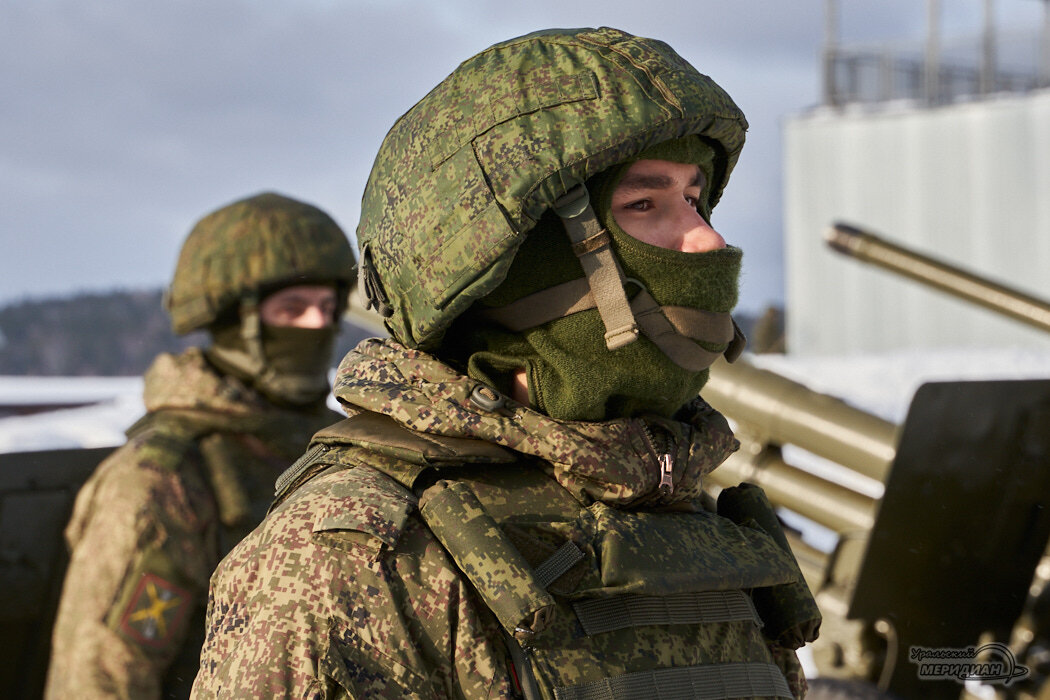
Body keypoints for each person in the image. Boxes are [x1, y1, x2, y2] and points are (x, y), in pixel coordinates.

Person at [192, 28, 820, 700]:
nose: (708, 239)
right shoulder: (357, 557)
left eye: (695, 198)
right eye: (645, 204)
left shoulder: (691, 520)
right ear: (514, 262)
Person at [44, 192, 356, 698]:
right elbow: (102, 678)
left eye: (326, 308)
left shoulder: (337, 444)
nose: (318, 326)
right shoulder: (162, 479)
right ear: (235, 321)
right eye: (293, 309)